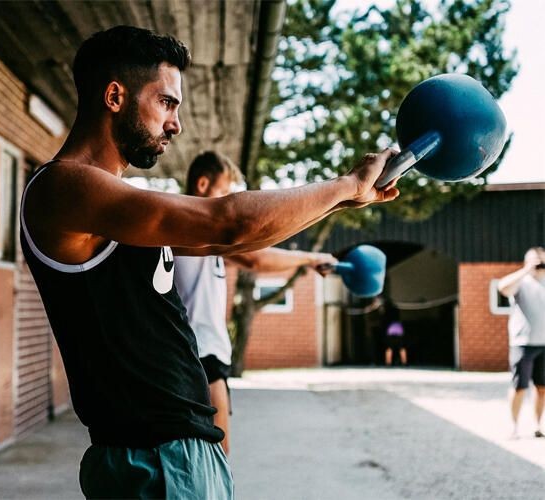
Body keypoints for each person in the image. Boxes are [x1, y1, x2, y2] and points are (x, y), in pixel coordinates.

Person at [20, 25, 399, 498]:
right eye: (166, 103)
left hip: (174, 455)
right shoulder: (66, 188)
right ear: (115, 96)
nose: (175, 124)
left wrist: (343, 202)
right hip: (156, 461)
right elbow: (227, 223)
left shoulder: (109, 205)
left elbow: (232, 244)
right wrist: (345, 184)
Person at [174, 151, 337, 454]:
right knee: (217, 461)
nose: (228, 203)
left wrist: (306, 262)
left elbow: (256, 259)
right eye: (224, 192)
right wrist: (311, 257)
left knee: (212, 461)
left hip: (206, 353)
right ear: (202, 184)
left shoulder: (205, 238)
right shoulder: (190, 230)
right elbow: (255, 257)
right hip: (199, 356)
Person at [497, 247, 545, 439]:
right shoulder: (521, 282)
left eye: (541, 259)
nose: (539, 262)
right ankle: (514, 427)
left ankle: (538, 426)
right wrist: (526, 269)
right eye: (535, 259)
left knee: (542, 388)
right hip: (523, 343)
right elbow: (502, 287)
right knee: (519, 387)